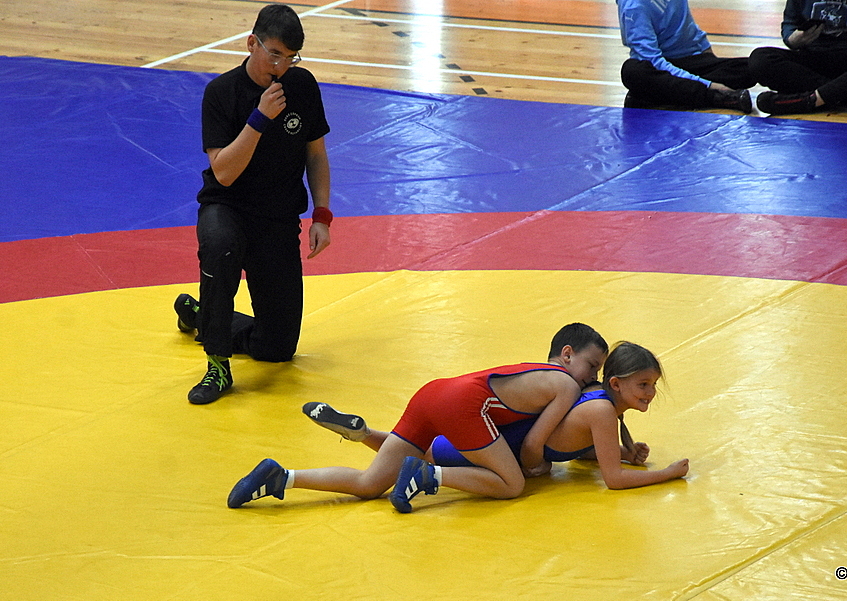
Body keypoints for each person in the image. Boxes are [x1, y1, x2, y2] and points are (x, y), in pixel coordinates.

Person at [226, 323, 609, 512]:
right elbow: (532, 444)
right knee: (511, 484)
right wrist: (538, 467)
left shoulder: (532, 371)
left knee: (369, 484)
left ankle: (284, 477)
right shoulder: (566, 386)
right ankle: (428, 476)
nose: (593, 376)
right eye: (592, 366)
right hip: (464, 405)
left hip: (433, 393)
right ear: (567, 354)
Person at [173, 4, 334, 405]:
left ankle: (201, 315)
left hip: (277, 217)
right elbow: (224, 172)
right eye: (274, 54)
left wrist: (322, 215)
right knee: (220, 246)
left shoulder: (302, 86)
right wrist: (259, 118)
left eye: (291, 58)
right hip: (227, 207)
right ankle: (217, 365)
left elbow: (316, 154)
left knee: (277, 348)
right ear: (251, 43)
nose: (281, 67)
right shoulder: (221, 93)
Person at [305, 342, 690, 490]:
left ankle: (362, 434)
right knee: (504, 483)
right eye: (643, 385)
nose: (650, 393)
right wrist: (668, 473)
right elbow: (613, 480)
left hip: (462, 411)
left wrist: (622, 452)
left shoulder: (596, 401)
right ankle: (426, 477)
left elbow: (580, 448)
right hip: (489, 434)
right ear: (616, 383)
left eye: (653, 385)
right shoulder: (596, 405)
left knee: (407, 461)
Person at [750, 0, 847, 114]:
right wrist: (793, 39)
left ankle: (810, 100)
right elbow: (790, 23)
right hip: (817, 60)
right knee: (761, 59)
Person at [617, 0, 756, 113]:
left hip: (687, 63)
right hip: (660, 70)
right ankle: (715, 97)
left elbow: (688, 26)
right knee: (633, 72)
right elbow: (652, 60)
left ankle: (654, 97)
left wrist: (709, 57)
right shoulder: (633, 6)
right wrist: (709, 85)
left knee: (753, 66)